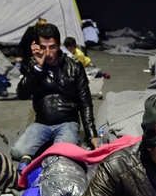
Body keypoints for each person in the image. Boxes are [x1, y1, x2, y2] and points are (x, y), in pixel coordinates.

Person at [12, 23, 99, 165]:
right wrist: (37, 68)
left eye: (52, 47)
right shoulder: (33, 65)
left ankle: (50, 147)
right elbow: (22, 94)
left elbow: (85, 103)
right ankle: (51, 145)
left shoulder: (75, 67)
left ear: (59, 46)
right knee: (17, 151)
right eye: (43, 47)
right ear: (37, 47)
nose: (47, 52)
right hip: (42, 122)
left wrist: (91, 135)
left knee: (63, 156)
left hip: (67, 122)